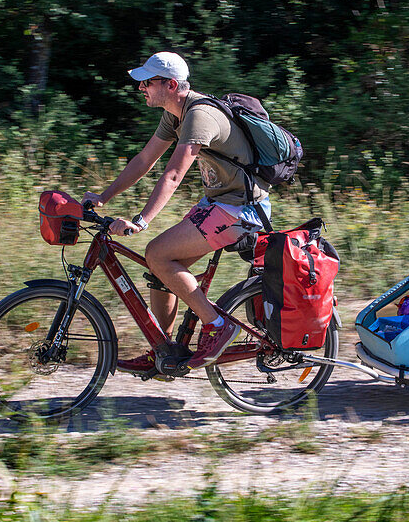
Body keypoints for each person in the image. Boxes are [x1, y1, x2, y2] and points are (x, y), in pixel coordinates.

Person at [83, 51, 271, 375]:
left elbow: (172, 175)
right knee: (160, 268)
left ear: (171, 84)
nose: (141, 87)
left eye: (147, 82)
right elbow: (145, 160)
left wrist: (141, 222)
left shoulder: (199, 115)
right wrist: (103, 196)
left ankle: (217, 325)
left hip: (241, 208)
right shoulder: (175, 113)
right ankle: (165, 350)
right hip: (218, 203)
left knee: (157, 252)